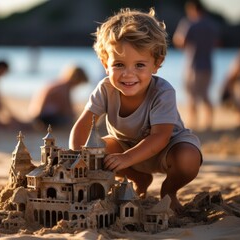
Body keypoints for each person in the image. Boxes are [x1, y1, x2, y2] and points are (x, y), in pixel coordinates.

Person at [69, 8, 202, 213]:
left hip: (167, 148)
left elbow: (160, 136)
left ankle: (169, 191)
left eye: (140, 65)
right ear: (106, 64)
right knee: (95, 152)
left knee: (188, 158)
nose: (128, 74)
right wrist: (76, 158)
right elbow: (84, 124)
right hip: (124, 147)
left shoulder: (163, 92)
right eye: (119, 64)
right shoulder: (105, 89)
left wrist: (128, 158)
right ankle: (139, 178)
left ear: (157, 64)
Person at [173, 0, 219, 130]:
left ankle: (194, 123)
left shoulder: (190, 24)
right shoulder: (211, 25)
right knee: (205, 94)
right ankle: (209, 122)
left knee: (192, 96)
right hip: (208, 65)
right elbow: (217, 43)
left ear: (192, 10)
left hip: (194, 66)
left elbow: (180, 42)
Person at [28, 65, 88, 129]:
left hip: (37, 116)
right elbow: (67, 110)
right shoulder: (64, 88)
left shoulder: (59, 84)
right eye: (79, 83)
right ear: (76, 79)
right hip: (43, 118)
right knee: (70, 121)